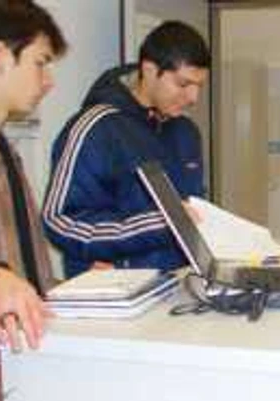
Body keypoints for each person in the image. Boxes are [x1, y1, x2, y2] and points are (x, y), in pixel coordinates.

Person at [41, 21, 210, 278]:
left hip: (179, 286)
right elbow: (59, 221)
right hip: (114, 290)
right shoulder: (96, 127)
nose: (193, 97)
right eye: (183, 84)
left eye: (199, 86)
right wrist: (160, 222)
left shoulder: (186, 132)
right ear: (149, 70)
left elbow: (193, 213)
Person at [0, 0, 67, 399]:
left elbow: (22, 263)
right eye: (40, 63)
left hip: (17, 367)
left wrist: (80, 291)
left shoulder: (2, 149)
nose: (48, 81)